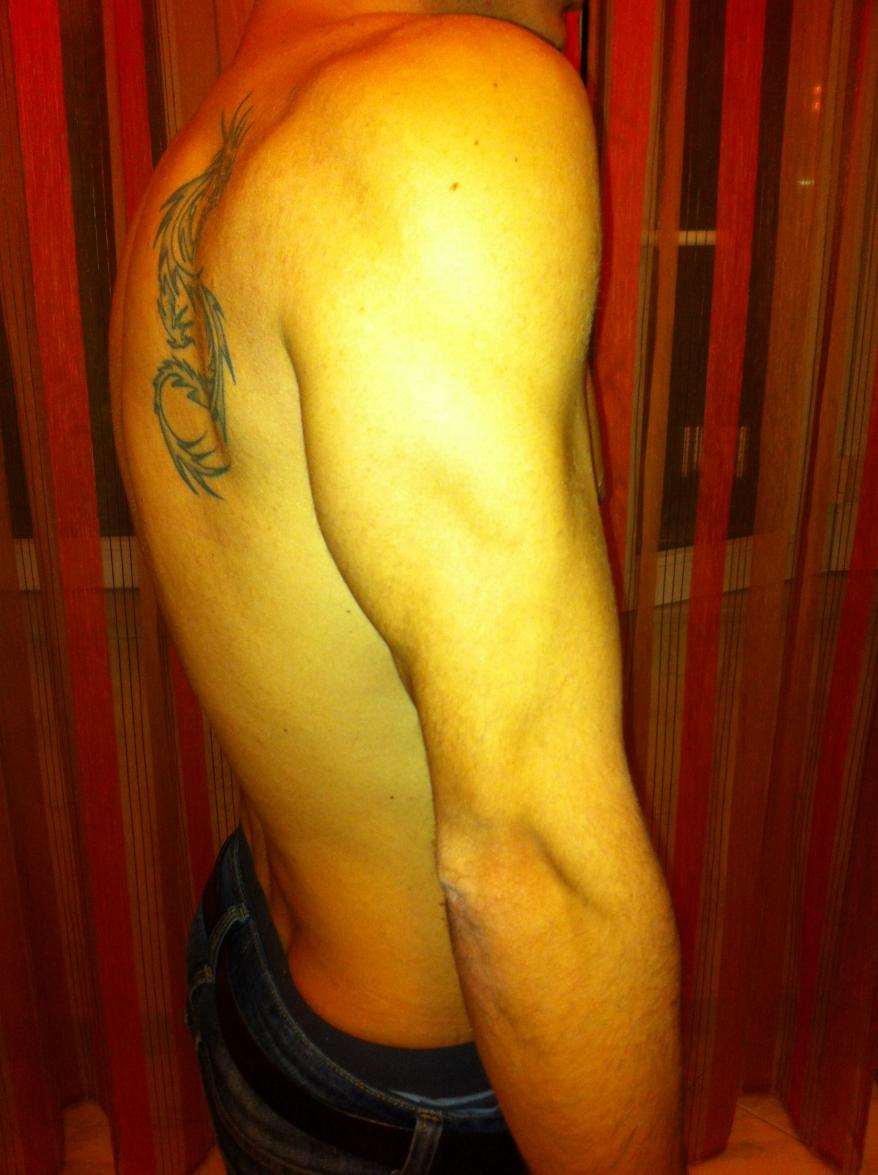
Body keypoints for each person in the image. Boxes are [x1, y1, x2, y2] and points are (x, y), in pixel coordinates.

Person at [110, 0, 684, 1170]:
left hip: (254, 954)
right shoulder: (441, 114)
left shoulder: (229, 122)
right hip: (406, 1091)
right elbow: (526, 859)